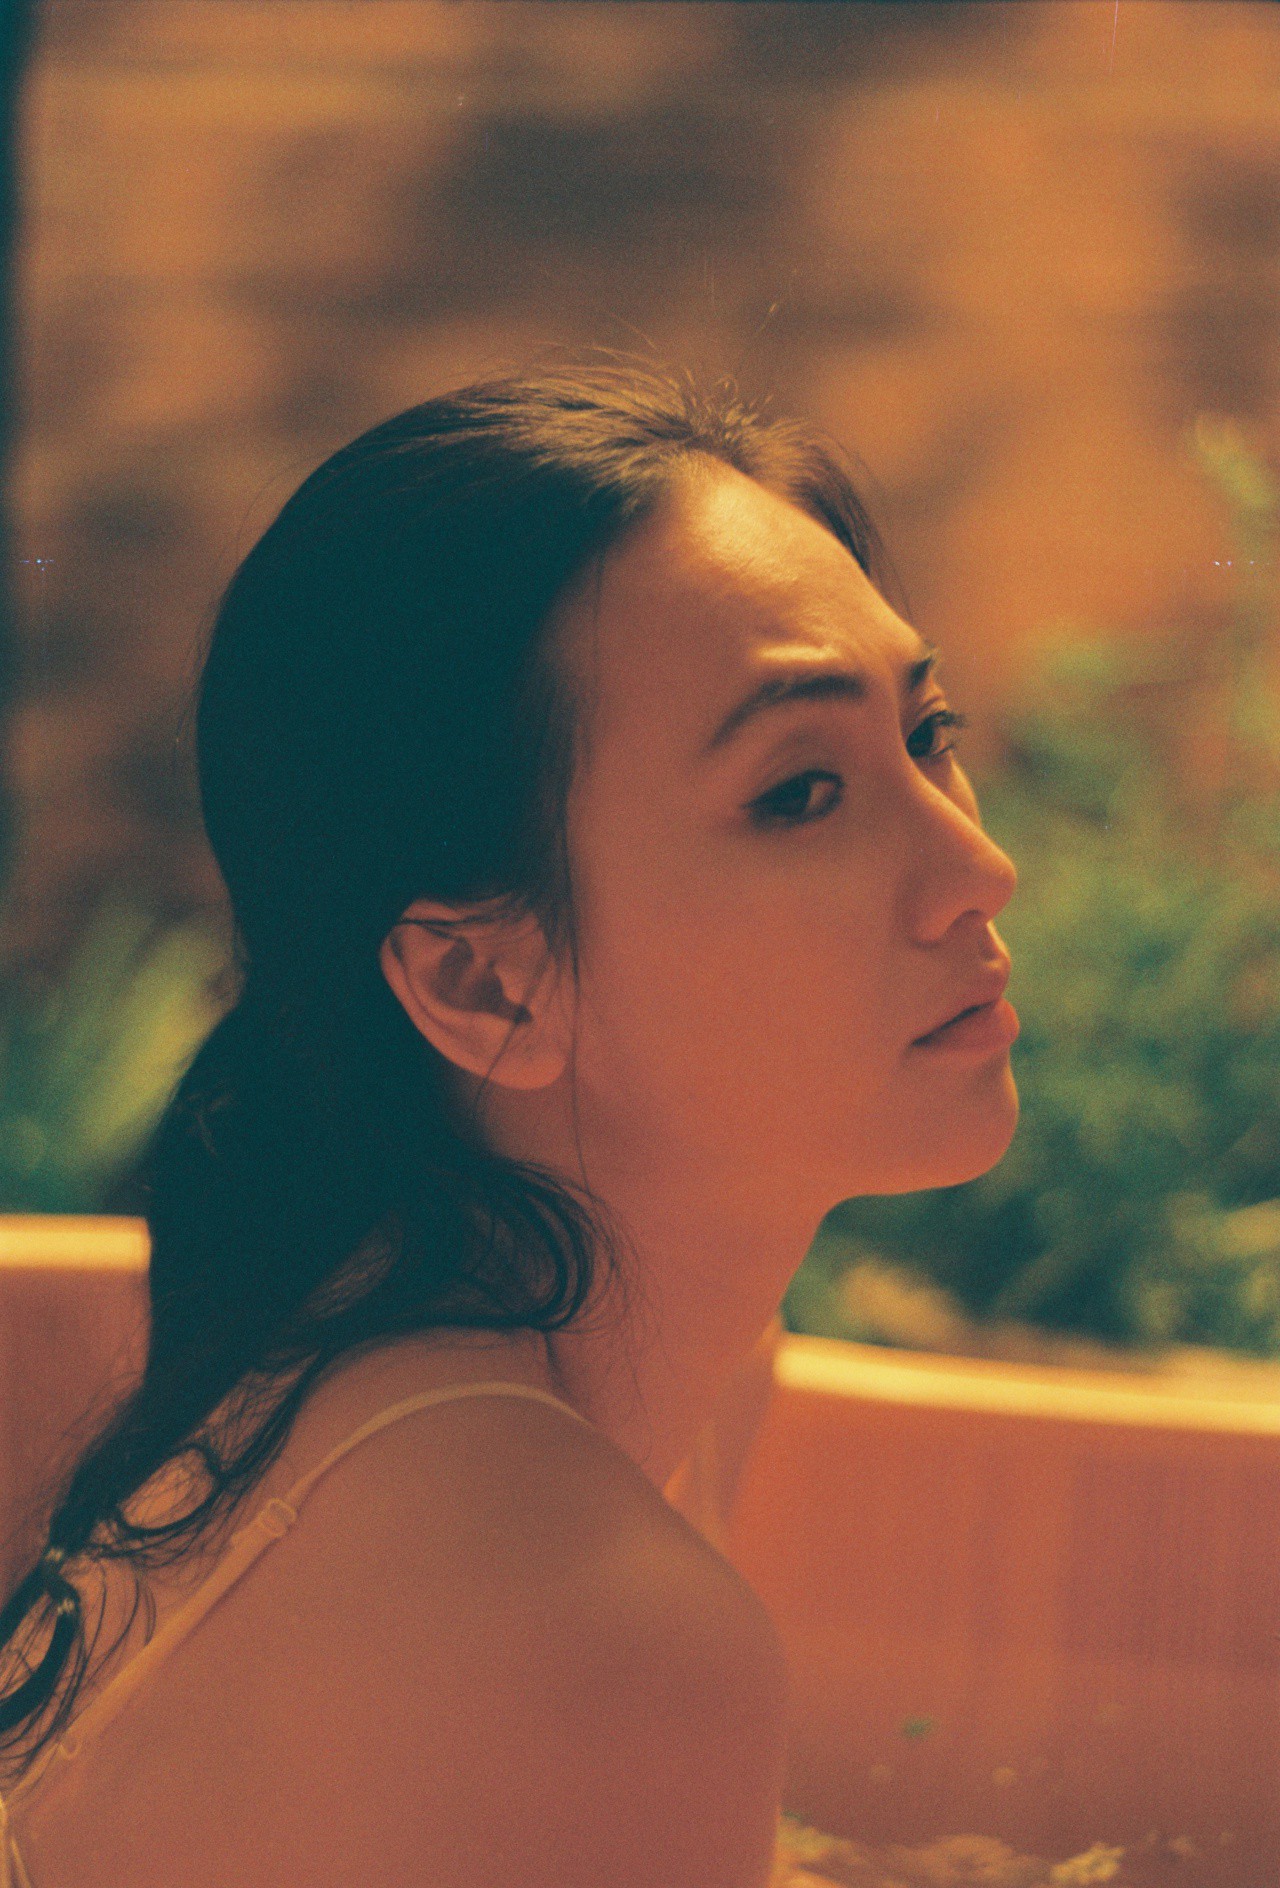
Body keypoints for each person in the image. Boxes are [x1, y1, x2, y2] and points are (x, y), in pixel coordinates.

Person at [0, 359, 1018, 1888]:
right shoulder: (584, 1620)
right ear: (482, 982)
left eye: (929, 734)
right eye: (801, 793)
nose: (979, 871)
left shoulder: (549, 1379)